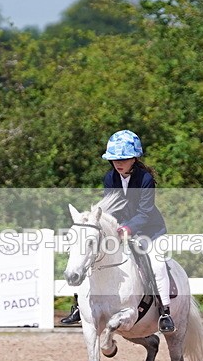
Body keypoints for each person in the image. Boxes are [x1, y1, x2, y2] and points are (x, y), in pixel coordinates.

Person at [60, 129, 175, 333]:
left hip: (149, 230)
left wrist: (127, 228)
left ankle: (165, 311)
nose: (118, 163)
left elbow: (145, 212)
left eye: (123, 159)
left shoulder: (145, 179)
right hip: (119, 229)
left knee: (157, 264)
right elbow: (111, 207)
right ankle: (79, 305)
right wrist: (109, 226)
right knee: (90, 257)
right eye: (114, 159)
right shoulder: (110, 178)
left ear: (134, 158)